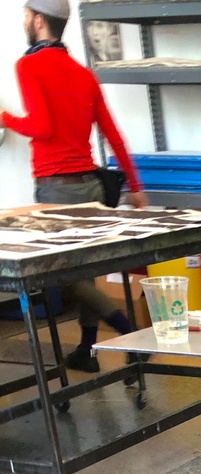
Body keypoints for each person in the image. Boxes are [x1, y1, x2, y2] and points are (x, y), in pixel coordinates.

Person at [0, 0, 148, 373]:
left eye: (23, 14)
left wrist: (3, 116)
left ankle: (129, 332)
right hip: (93, 189)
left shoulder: (28, 65)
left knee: (64, 278)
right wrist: (135, 186)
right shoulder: (83, 74)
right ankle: (86, 350)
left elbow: (42, 127)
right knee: (87, 272)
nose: (22, 20)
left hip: (57, 190)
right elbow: (113, 135)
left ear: (36, 21)